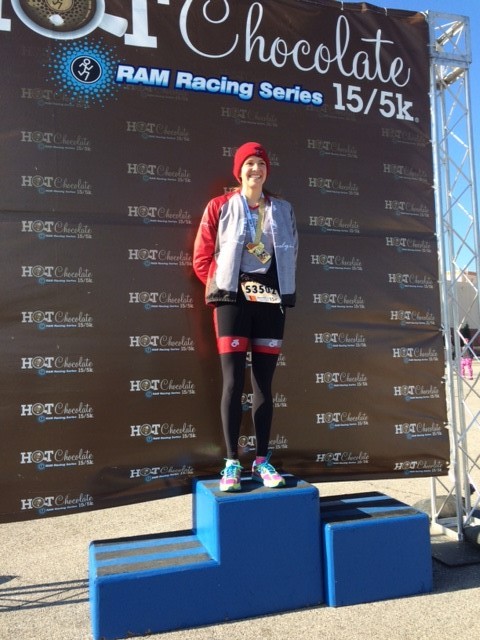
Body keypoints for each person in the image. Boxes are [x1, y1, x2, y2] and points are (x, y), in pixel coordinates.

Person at [193, 142, 298, 491]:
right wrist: (223, 286)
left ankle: (262, 461)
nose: (256, 169)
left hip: (270, 301)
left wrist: (279, 286)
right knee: (233, 383)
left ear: (267, 170)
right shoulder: (220, 206)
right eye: (249, 163)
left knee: (264, 384)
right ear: (239, 171)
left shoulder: (282, 209)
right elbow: (202, 257)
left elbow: (292, 252)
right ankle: (231, 463)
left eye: (261, 164)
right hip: (233, 302)